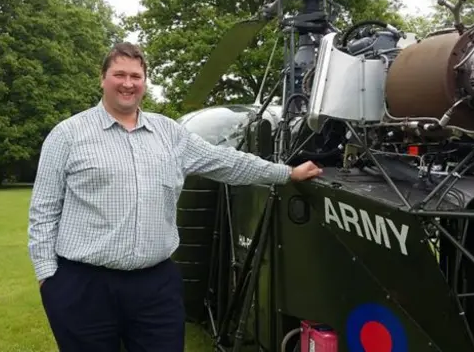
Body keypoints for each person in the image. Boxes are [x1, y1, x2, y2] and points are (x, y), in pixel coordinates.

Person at [27, 42, 322, 352]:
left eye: (136, 76)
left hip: (155, 285)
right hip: (84, 286)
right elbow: (44, 211)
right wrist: (49, 279)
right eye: (119, 75)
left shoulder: (170, 133)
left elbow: (228, 162)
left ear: (144, 82)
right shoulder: (67, 135)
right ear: (103, 78)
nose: (128, 84)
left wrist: (287, 173)